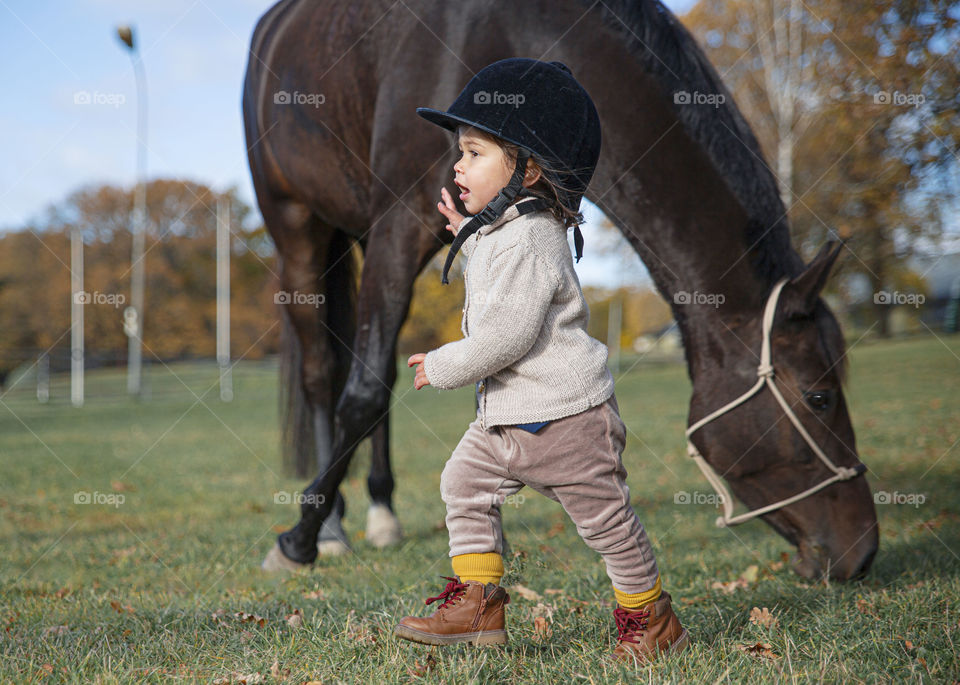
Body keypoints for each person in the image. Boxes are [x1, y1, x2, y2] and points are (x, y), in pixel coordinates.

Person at [395, 58, 689, 665]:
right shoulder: (508, 230)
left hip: (566, 421)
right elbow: (495, 263)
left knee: (605, 525)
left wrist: (446, 365)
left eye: (474, 152)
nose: (458, 164)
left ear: (526, 168)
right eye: (461, 152)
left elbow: (507, 334)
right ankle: (479, 603)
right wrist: (467, 238)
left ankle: (650, 618)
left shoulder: (535, 236)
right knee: (463, 483)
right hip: (506, 419)